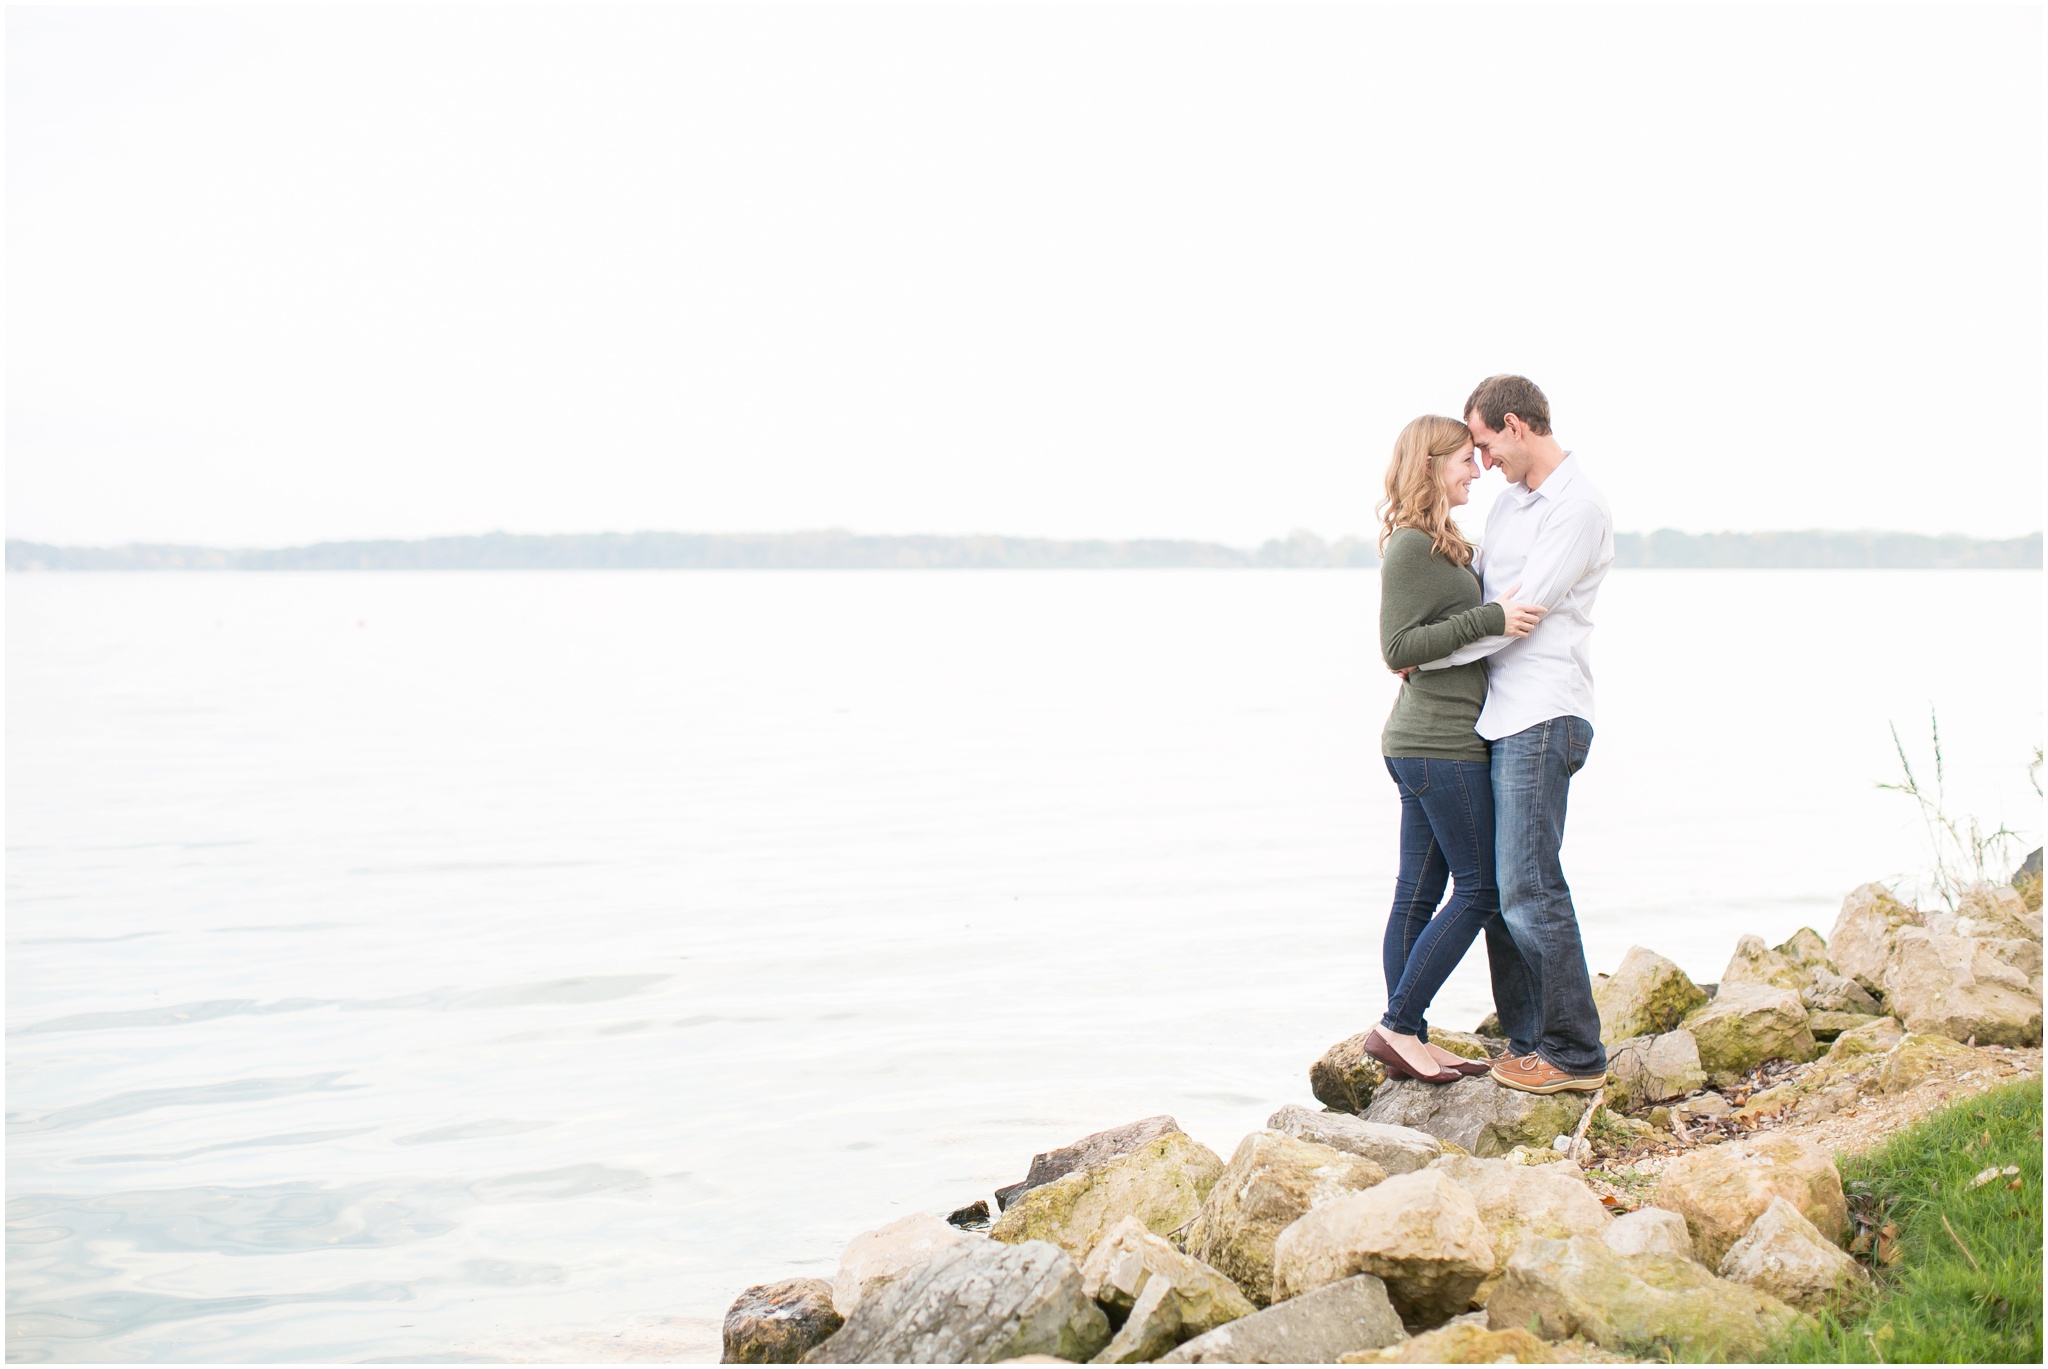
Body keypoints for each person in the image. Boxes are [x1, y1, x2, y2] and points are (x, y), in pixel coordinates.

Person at [1414, 375, 1613, 1094]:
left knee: (1530, 884)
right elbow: (1486, 605)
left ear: (1516, 426)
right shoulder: (1506, 509)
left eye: (1486, 442)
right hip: (1501, 714)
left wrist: (1426, 650)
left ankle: (1575, 1052)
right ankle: (1530, 1040)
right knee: (1502, 889)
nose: (1484, 459)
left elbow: (1518, 613)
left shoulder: (1579, 507)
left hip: (1545, 711)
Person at [1362, 415, 1546, 1084]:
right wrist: (1493, 617)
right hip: (1437, 744)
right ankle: (1398, 1025)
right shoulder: (1412, 545)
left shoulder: (1443, 545)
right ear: (1433, 464)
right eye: (1466, 459)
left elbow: (1433, 638)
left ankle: (1408, 1035)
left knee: (1419, 892)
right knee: (1481, 888)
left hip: (1429, 740)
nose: (1477, 470)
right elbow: (1398, 648)